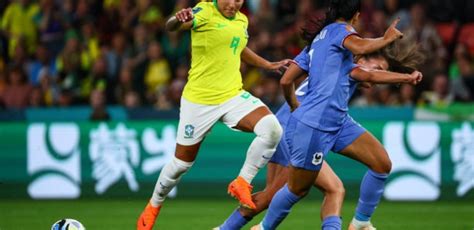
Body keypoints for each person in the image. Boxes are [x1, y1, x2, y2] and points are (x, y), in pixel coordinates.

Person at [251, 0, 424, 229]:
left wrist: (406, 77)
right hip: (315, 123)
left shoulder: (325, 45)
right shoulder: (342, 32)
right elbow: (361, 49)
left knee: (381, 163)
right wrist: (386, 38)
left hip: (338, 120)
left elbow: (286, 80)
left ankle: (361, 222)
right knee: (296, 189)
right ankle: (262, 227)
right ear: (356, 16)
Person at [137, 0, 292, 229]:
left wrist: (267, 65)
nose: (234, 4)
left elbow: (238, 47)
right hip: (198, 102)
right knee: (181, 164)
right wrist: (176, 19)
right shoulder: (204, 11)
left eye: (239, 0)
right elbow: (172, 26)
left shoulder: (241, 20)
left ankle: (242, 182)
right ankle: (153, 205)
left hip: (231, 95)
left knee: (272, 129)